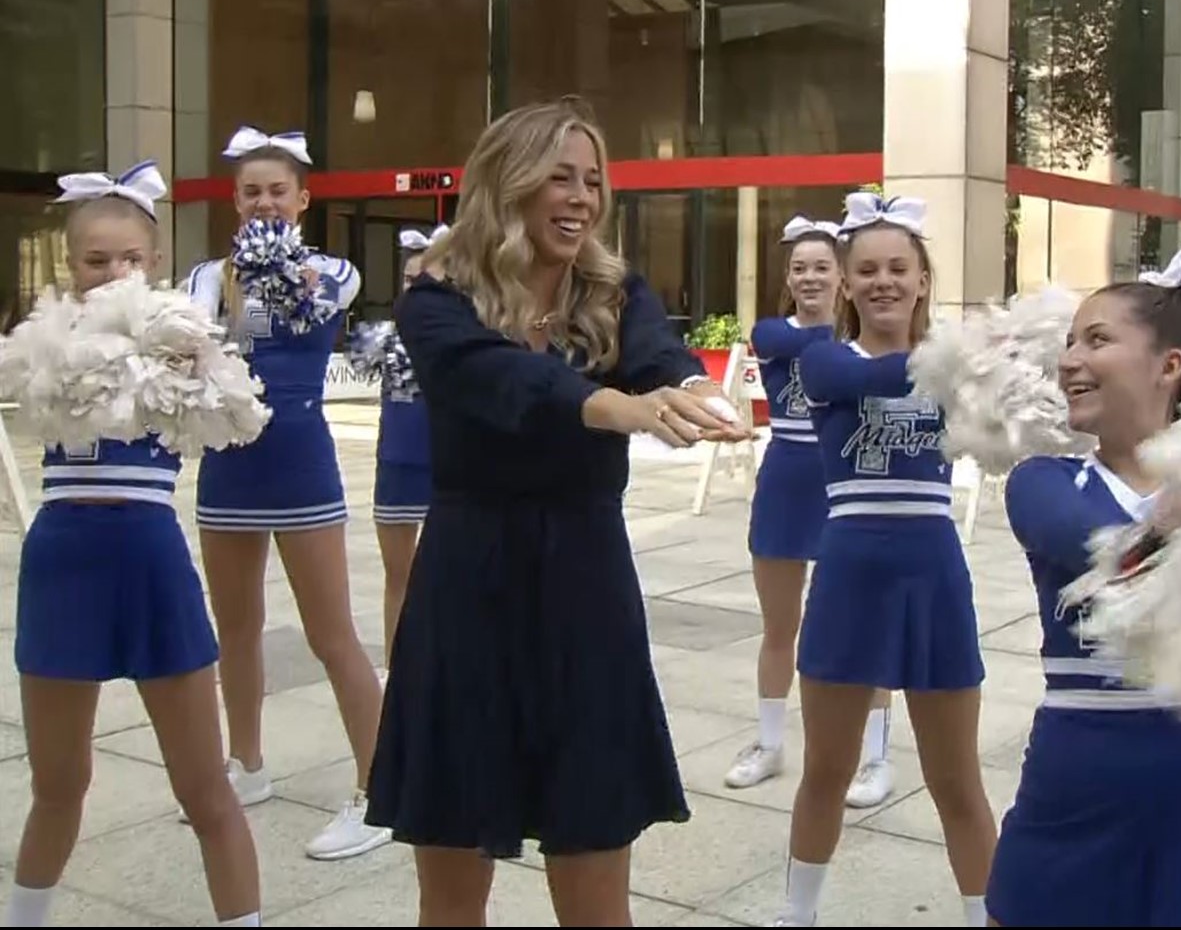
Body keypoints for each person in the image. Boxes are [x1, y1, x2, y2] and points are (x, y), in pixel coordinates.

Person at [365, 99, 748, 926]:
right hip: (468, 586)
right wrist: (616, 408)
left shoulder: (615, 291)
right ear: (509, 184)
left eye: (593, 180)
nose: (580, 197)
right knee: (453, 887)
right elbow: (503, 383)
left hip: (585, 586)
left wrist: (691, 391)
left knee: (596, 870)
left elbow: (660, 357)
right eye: (559, 177)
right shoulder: (436, 299)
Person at [988, 232, 1181, 927]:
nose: (1070, 359)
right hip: (1084, 781)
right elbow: (1106, 557)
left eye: (1096, 339)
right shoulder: (1043, 481)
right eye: (1069, 341)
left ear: (1169, 365)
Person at [5, 163, 262, 928]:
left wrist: (192, 354)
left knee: (204, 787)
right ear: (70, 267)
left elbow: (236, 413)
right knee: (58, 784)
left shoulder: (185, 340)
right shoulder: (48, 343)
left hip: (151, 561)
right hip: (62, 564)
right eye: (95, 261)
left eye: (131, 260)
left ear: (154, 264)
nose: (115, 274)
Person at [774, 194, 999, 928]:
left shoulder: (952, 365)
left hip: (934, 574)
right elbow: (865, 383)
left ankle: (984, 917)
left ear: (923, 278)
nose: (883, 282)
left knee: (957, 781)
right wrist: (959, 361)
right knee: (826, 773)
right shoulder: (824, 358)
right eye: (866, 269)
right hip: (850, 574)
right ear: (844, 283)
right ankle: (798, 915)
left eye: (898, 268)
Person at [183, 125, 388, 861]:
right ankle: (249, 765)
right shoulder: (203, 280)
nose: (263, 201)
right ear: (234, 201)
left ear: (302, 200)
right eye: (250, 191)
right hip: (227, 465)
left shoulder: (331, 272)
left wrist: (279, 269)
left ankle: (377, 789)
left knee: (330, 633)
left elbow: (314, 305)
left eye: (277, 190)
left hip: (300, 460)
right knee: (233, 629)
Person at [725, 216, 897, 808]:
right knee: (779, 626)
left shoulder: (858, 345)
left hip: (845, 487)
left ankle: (873, 757)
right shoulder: (775, 333)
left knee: (864, 627)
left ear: (842, 276)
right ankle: (770, 743)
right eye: (799, 267)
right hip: (783, 485)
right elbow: (785, 344)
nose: (809, 277)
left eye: (823, 266)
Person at [372, 225, 442, 661]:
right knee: (398, 576)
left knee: (448, 576)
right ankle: (398, 668)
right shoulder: (377, 337)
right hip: (395, 464)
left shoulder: (465, 334)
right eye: (409, 280)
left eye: (427, 281)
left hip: (447, 466)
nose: (415, 289)